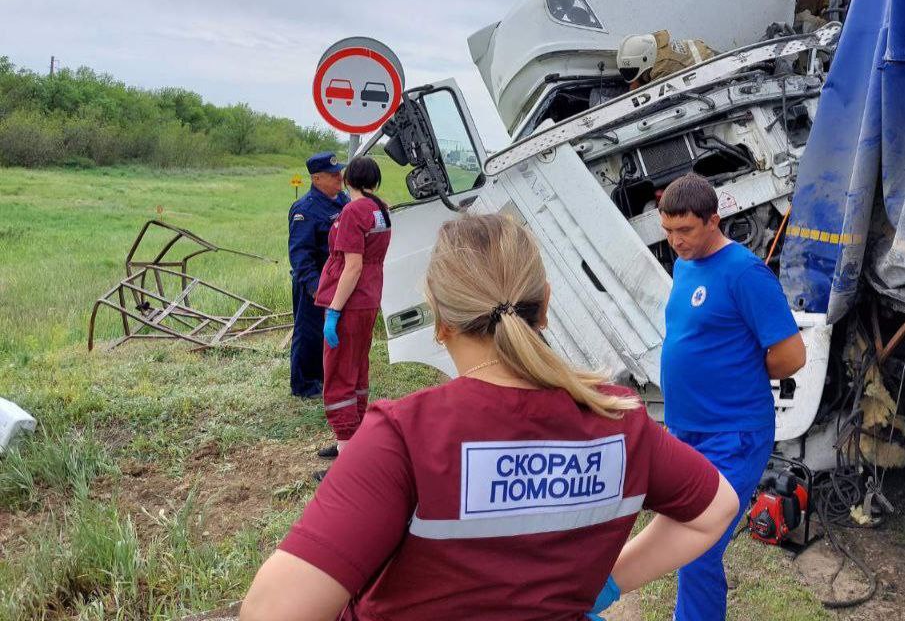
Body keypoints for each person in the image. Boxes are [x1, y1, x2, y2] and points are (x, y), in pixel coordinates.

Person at [241, 213, 740, 621]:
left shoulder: (406, 436)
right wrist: (605, 586)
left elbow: (274, 611)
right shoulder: (621, 419)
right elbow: (715, 511)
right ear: (545, 305)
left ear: (439, 319)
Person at [657, 173, 807, 620]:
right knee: (683, 539)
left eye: (685, 230)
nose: (675, 241)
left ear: (714, 221)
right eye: (668, 231)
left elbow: (792, 354)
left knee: (698, 545)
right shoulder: (686, 264)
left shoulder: (745, 273)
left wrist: (741, 374)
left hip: (733, 435)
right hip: (687, 431)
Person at [311, 156, 392, 470]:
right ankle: (354, 440)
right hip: (369, 299)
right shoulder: (379, 208)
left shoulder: (354, 210)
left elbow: (352, 265)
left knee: (339, 376)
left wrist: (333, 310)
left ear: (347, 180)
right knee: (356, 370)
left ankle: (348, 461)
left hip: (350, 301)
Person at [288, 152, 350, 398]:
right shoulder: (305, 210)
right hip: (314, 281)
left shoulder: (341, 200)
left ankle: (325, 376)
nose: (339, 178)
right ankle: (304, 385)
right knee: (308, 331)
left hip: (338, 279)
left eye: (339, 173)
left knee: (333, 331)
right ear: (316, 178)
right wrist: (314, 286)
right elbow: (300, 253)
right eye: (333, 175)